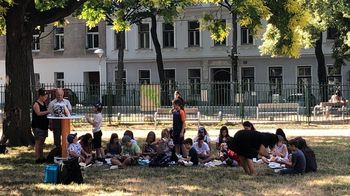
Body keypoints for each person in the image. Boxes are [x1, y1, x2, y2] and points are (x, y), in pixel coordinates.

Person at [32, 88, 50, 164]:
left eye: (46, 96)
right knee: (38, 142)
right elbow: (38, 113)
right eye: (44, 96)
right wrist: (48, 111)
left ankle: (41, 156)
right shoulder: (36, 104)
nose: (45, 98)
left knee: (42, 142)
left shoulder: (43, 103)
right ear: (40, 96)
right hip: (38, 126)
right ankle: (37, 157)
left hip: (44, 125)